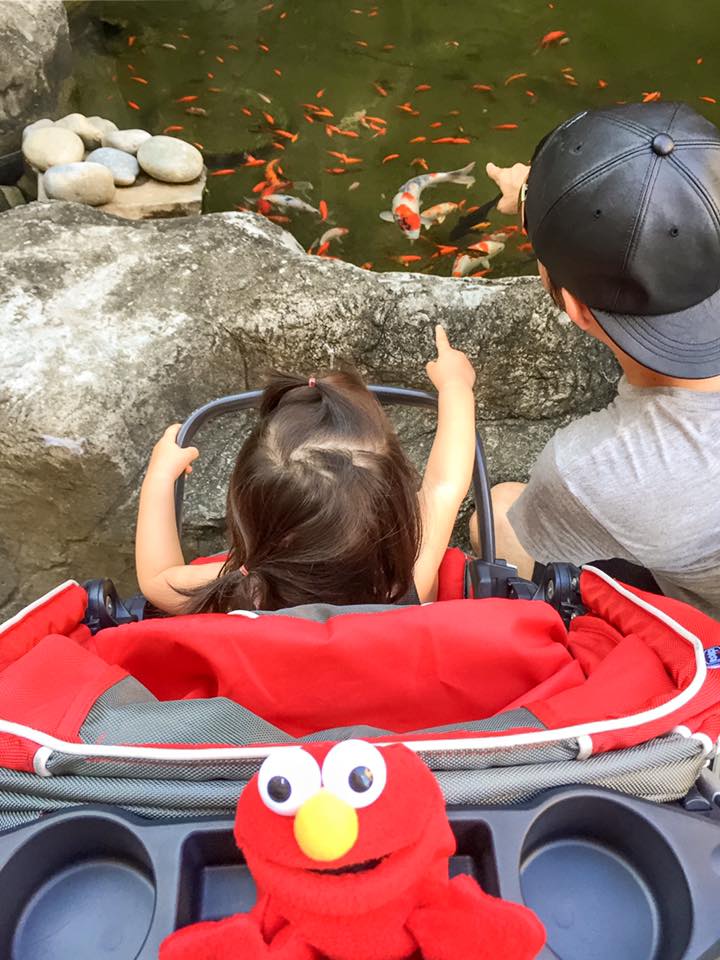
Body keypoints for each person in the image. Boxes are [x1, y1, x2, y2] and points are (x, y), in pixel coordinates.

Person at [473, 101, 720, 618]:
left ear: (576, 309)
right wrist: (533, 197)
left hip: (703, 637)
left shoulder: (593, 467)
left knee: (494, 514)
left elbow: (519, 538)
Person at [135, 325, 476, 614]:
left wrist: (159, 478)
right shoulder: (407, 581)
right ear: (396, 511)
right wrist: (456, 386)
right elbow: (445, 485)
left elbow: (157, 579)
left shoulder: (242, 590)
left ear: (249, 517)